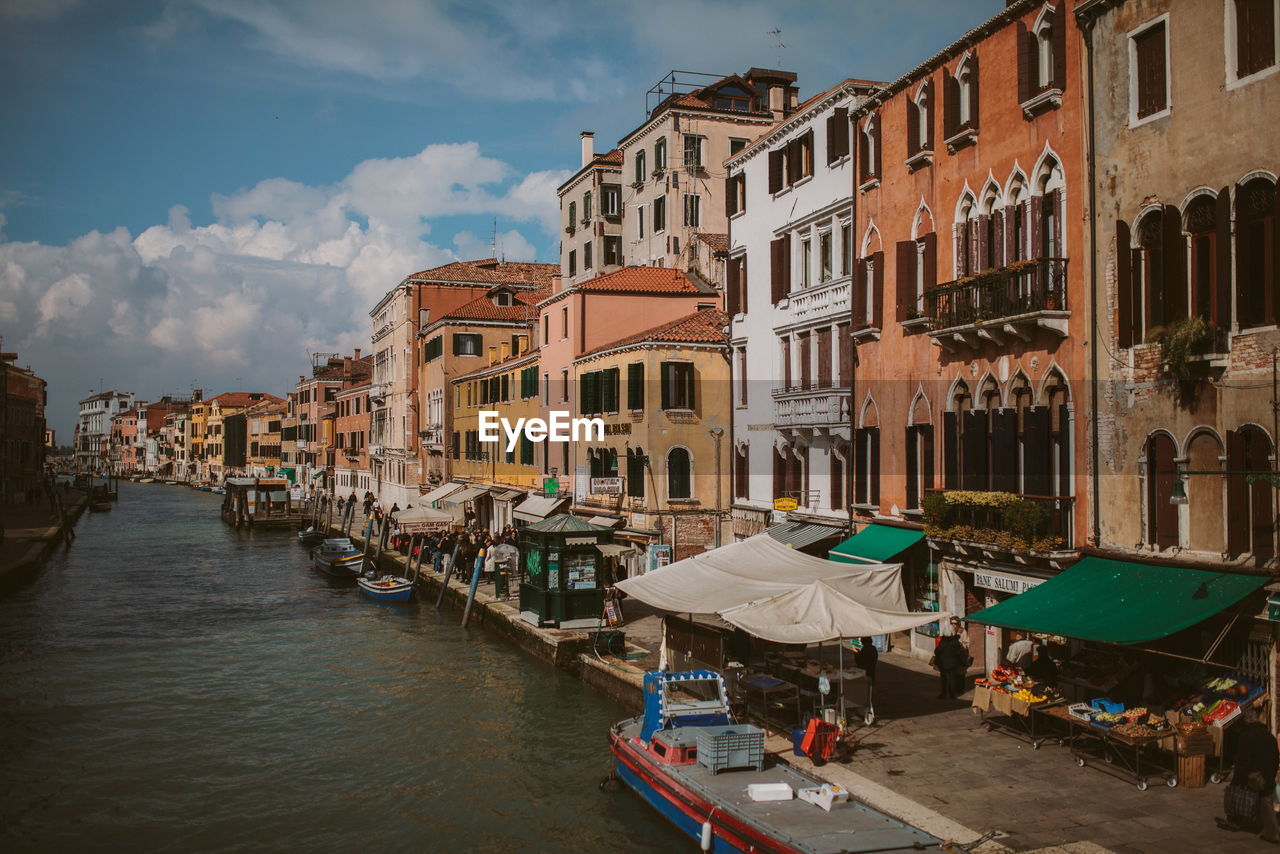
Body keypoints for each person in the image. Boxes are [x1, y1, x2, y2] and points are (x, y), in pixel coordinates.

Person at [1219, 706, 1280, 842]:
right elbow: (1276, 757)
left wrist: (1238, 780)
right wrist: (1271, 774)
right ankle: (1273, 834)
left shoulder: (1246, 736)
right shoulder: (1268, 736)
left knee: (1237, 796)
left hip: (1252, 776)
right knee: (1266, 802)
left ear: (1246, 721)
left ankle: (1233, 822)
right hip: (1267, 775)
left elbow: (1243, 761)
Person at [934, 633, 968, 699]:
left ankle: (944, 694)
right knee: (952, 679)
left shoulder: (943, 641)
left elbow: (937, 651)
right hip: (953, 663)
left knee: (944, 679)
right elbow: (959, 651)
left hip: (943, 663)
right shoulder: (956, 642)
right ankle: (952, 695)